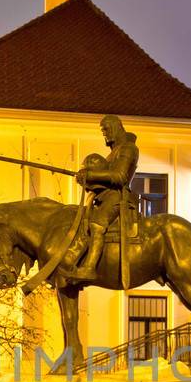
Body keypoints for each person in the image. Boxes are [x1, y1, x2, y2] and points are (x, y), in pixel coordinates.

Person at [66, 115, 139, 279]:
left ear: (115, 126)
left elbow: (120, 176)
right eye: (103, 131)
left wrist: (91, 174)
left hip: (118, 197)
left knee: (97, 225)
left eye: (105, 129)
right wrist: (87, 180)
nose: (104, 134)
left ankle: (89, 268)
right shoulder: (113, 153)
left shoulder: (128, 148)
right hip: (105, 196)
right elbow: (104, 179)